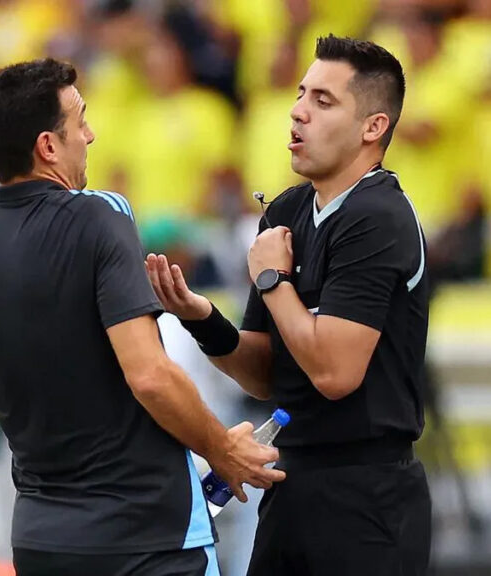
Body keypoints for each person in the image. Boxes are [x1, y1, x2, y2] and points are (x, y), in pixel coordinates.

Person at [0, 58, 283, 576]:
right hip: (145, 535)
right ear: (48, 146)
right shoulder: (100, 212)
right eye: (80, 121)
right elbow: (149, 375)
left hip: (40, 538)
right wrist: (223, 449)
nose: (91, 135)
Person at [146, 35, 431, 575]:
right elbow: (264, 375)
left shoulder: (378, 216)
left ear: (373, 127)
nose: (298, 112)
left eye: (323, 101)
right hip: (291, 481)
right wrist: (201, 318)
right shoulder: (287, 211)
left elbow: (335, 373)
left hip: (366, 496)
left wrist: (273, 279)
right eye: (301, 95)